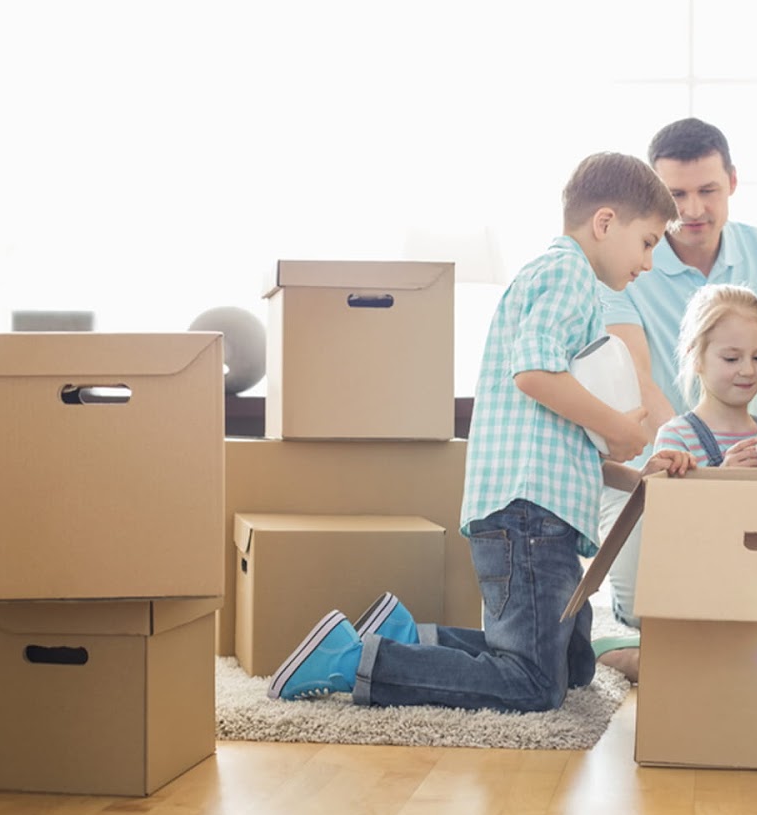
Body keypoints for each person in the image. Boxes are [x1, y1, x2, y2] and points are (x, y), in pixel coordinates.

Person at [265, 152, 695, 711]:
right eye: (648, 241)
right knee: (534, 684)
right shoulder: (567, 273)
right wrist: (618, 425)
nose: (649, 261)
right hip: (530, 516)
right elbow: (534, 373)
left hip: (538, 510)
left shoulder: (560, 280)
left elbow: (562, 438)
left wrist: (635, 473)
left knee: (572, 666)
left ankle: (409, 637)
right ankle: (356, 661)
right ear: (606, 223)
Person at [594, 119, 757, 679]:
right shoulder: (627, 262)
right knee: (640, 610)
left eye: (708, 190)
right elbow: (640, 378)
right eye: (676, 194)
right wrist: (696, 465)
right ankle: (607, 641)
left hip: (752, 460)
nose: (693, 209)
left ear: (732, 182)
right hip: (658, 470)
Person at [651, 284, 757, 469]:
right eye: (731, 359)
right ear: (696, 358)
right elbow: (669, 498)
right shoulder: (677, 437)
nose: (749, 370)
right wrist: (722, 479)